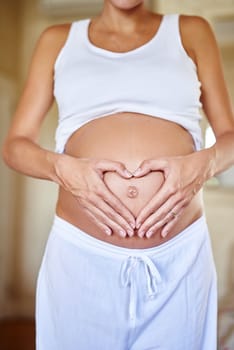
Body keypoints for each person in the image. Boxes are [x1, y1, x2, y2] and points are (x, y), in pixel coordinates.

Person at [2, 0, 234, 349]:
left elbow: (230, 137)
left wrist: (204, 164)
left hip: (179, 257)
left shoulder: (191, 31)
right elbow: (15, 145)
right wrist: (60, 168)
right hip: (80, 257)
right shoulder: (57, 39)